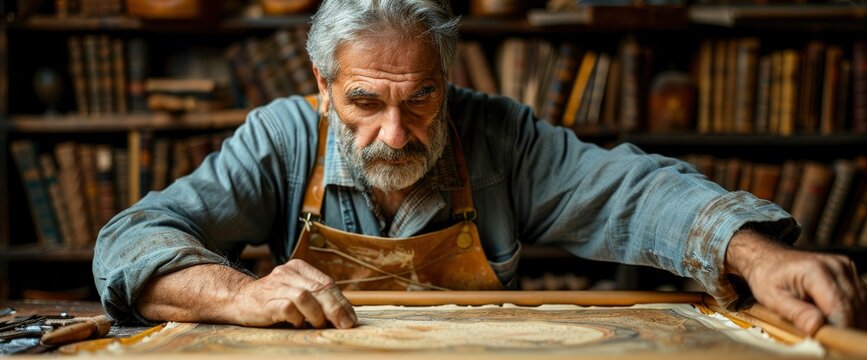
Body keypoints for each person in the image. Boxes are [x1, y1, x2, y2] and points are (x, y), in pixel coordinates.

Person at [93, 0, 866, 334]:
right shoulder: (280, 138)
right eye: (366, 103)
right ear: (323, 88)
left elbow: (635, 193)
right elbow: (130, 240)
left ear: (448, 83)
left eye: (422, 100)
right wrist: (239, 294)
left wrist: (754, 256)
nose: (396, 135)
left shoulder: (500, 137)